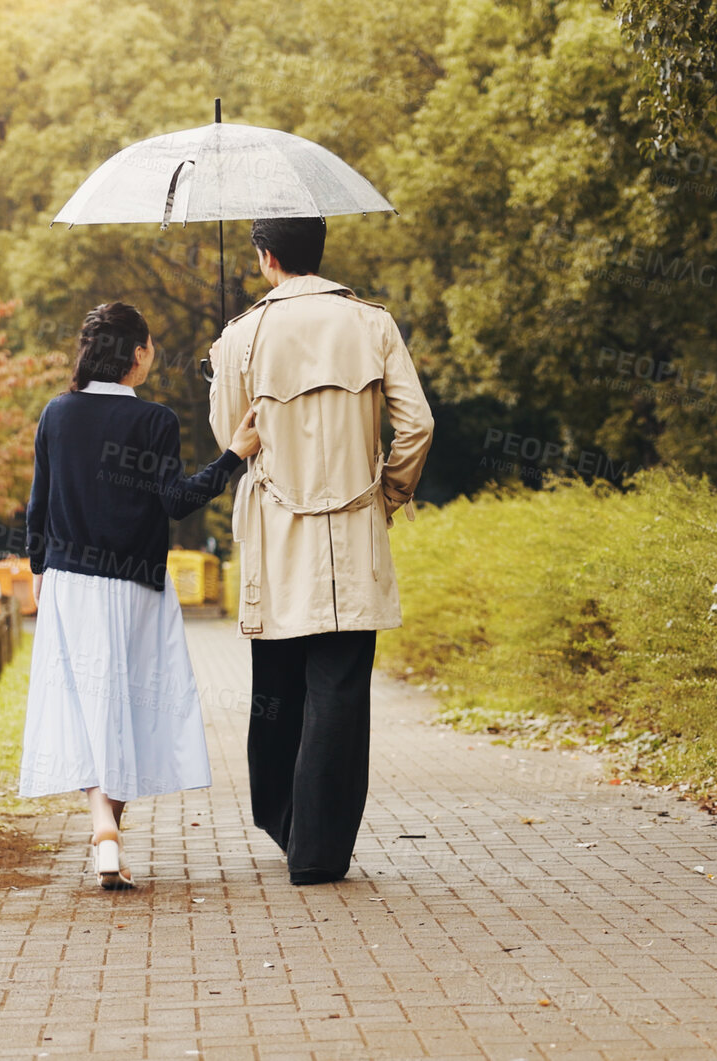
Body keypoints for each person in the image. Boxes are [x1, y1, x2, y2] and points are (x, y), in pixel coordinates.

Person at [207, 216, 435, 885]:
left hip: (276, 537)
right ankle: (320, 849)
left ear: (266, 257)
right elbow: (417, 424)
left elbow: (231, 437)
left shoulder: (241, 334)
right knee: (338, 690)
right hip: (355, 530)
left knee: (275, 689)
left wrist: (223, 364)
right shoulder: (373, 323)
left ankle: (284, 823)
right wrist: (388, 493)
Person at [21, 301, 261, 890]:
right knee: (125, 708)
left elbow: (38, 502)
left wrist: (37, 567)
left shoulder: (56, 414)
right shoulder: (155, 420)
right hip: (136, 588)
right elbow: (176, 501)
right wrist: (234, 455)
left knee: (86, 705)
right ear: (137, 354)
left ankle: (104, 829)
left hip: (70, 582)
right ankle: (109, 832)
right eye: (149, 344)